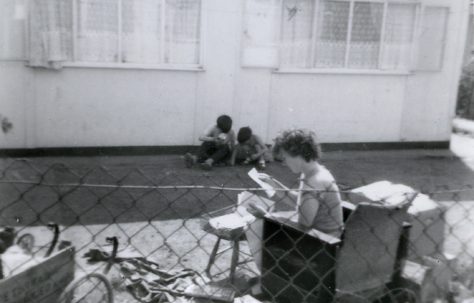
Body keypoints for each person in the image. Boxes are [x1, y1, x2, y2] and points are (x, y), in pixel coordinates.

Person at [247, 129, 343, 238]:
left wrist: (267, 216)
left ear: (298, 154)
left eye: (285, 158)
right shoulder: (314, 172)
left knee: (262, 232)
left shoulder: (314, 183)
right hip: (325, 236)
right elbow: (302, 202)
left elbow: (302, 227)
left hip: (322, 242)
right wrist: (273, 183)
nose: (284, 163)